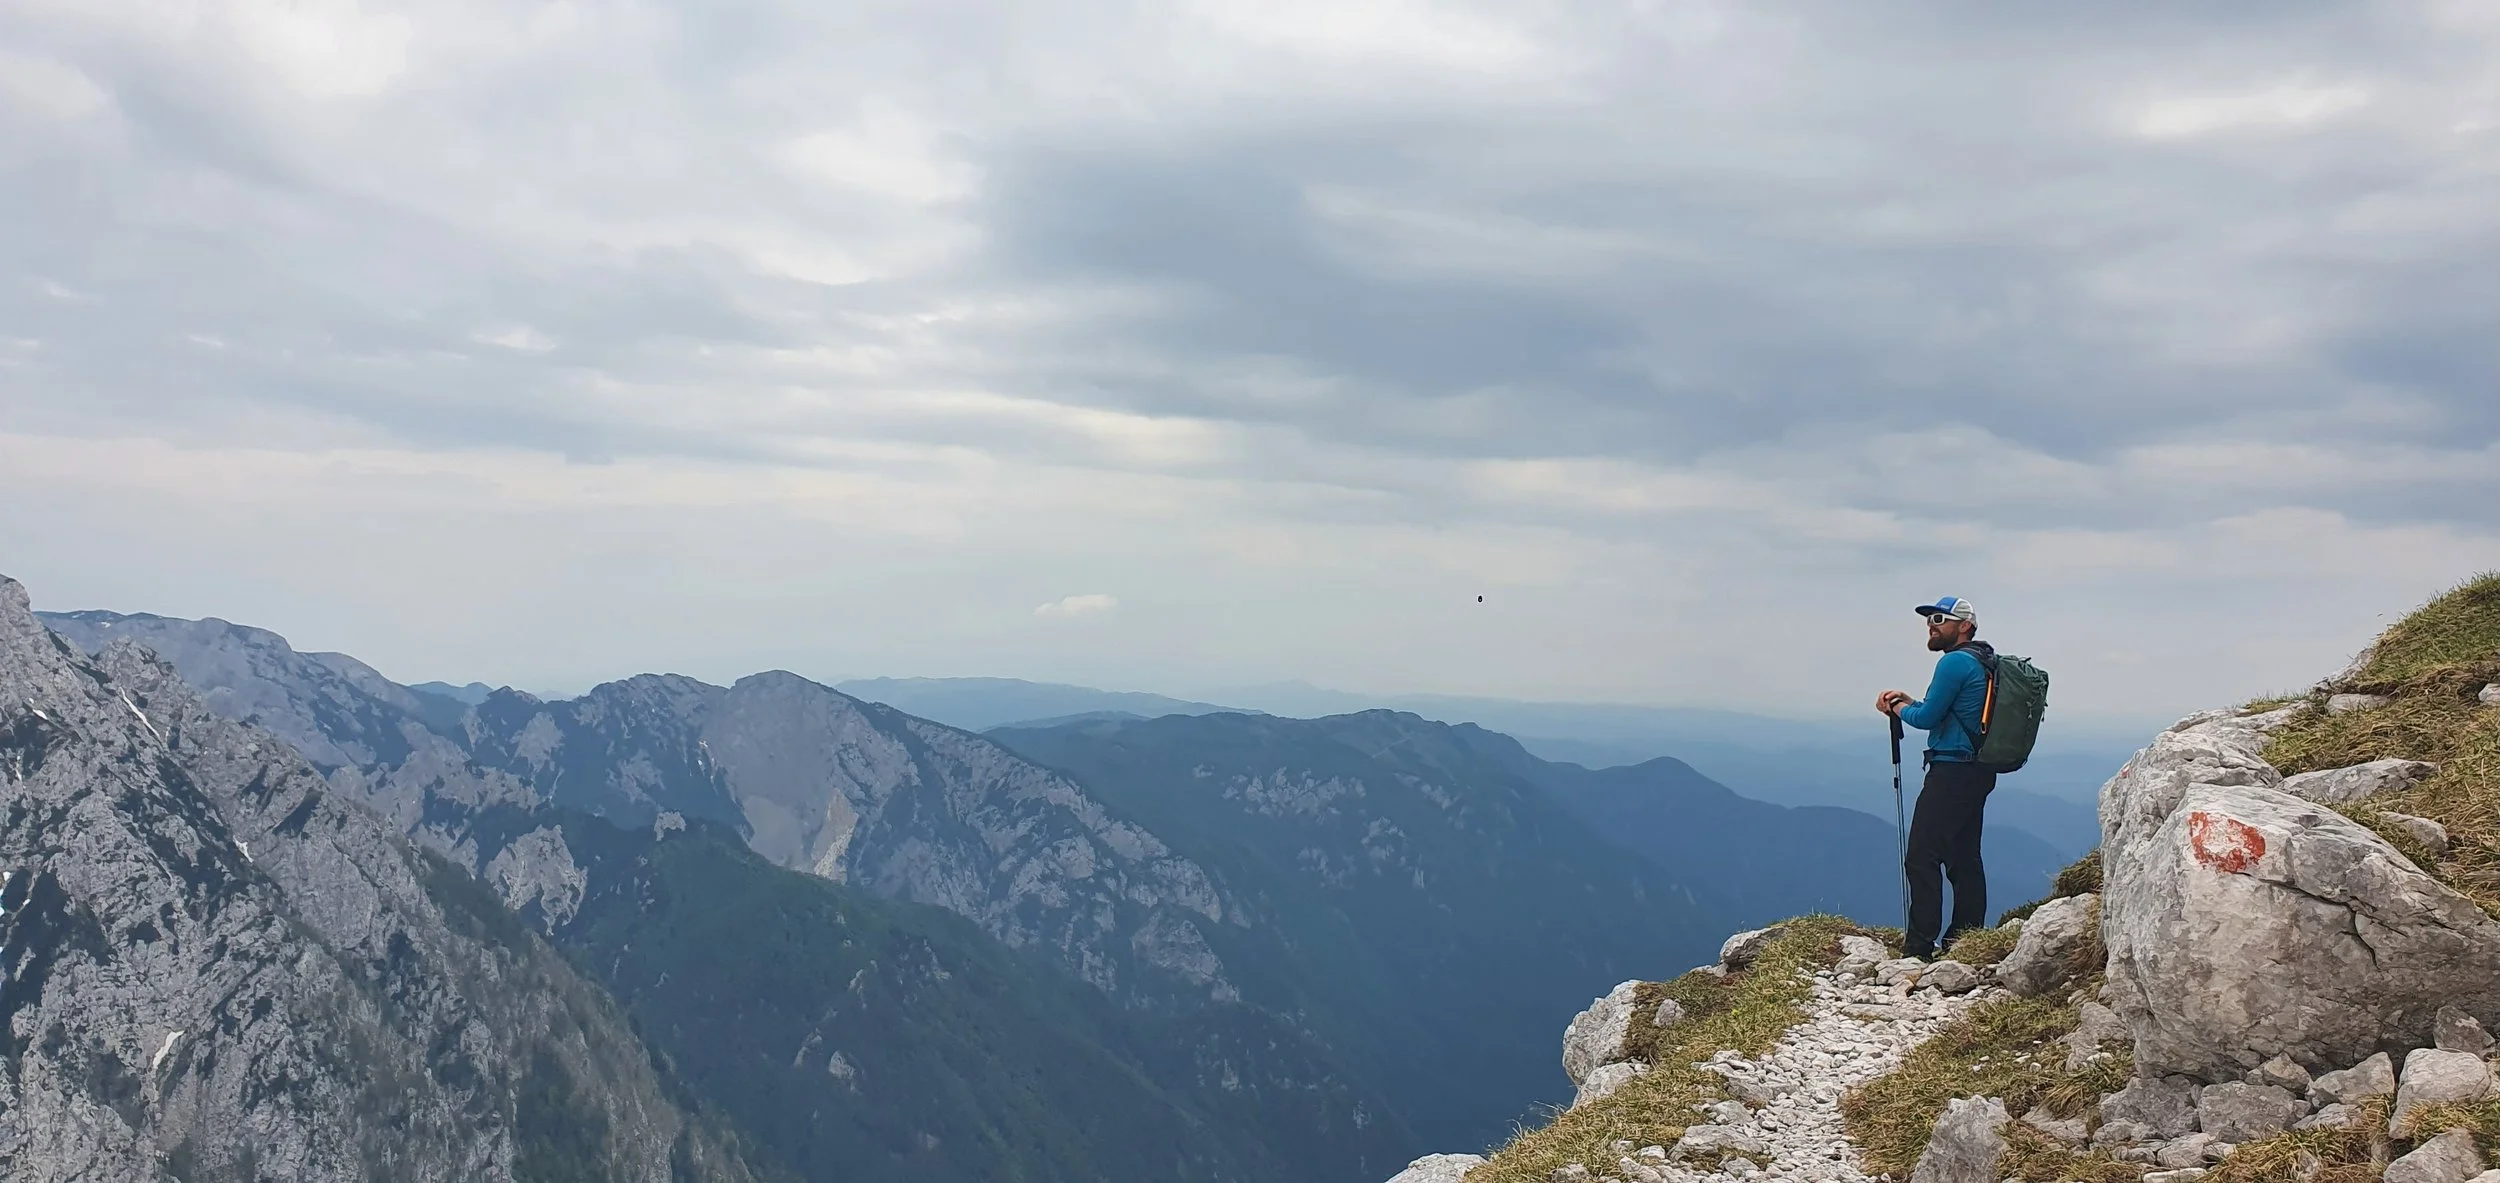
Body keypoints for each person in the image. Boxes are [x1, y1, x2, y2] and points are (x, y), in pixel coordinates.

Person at [1874, 595, 1998, 960]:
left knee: (1921, 856)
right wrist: (1912, 702)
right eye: (1929, 619)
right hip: (1978, 769)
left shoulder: (1954, 663)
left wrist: (1897, 706)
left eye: (1941, 618)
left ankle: (1919, 947)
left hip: (1951, 771)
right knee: (1963, 857)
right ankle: (1964, 941)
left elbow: (1926, 719)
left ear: (1964, 626)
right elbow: (1946, 712)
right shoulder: (1983, 661)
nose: (1932, 624)